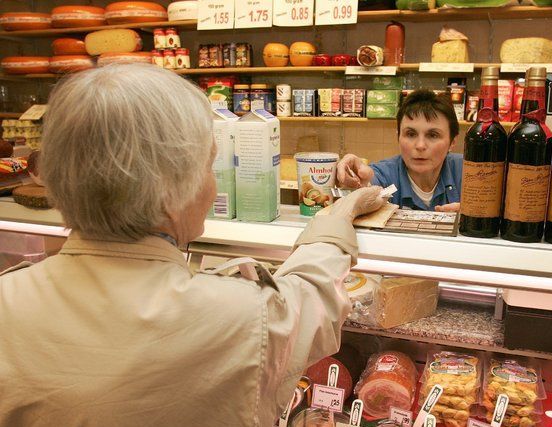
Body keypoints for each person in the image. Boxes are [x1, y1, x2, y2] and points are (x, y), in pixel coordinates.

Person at [0, 64, 384, 426]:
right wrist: (338, 216)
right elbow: (313, 297)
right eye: (209, 167)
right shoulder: (242, 314)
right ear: (172, 190)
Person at [337, 89, 463, 212]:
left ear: (452, 142)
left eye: (433, 135)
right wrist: (357, 185)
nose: (420, 145)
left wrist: (477, 215)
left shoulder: (470, 173)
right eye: (410, 134)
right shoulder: (384, 174)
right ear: (398, 137)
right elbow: (368, 186)